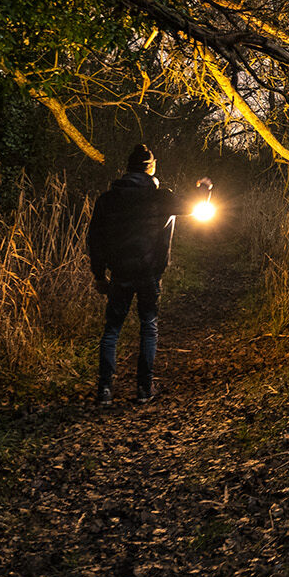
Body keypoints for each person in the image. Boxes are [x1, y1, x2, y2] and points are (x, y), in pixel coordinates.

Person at [85, 144, 213, 405]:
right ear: (150, 168)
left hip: (119, 273)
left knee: (112, 330)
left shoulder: (108, 199)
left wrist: (99, 274)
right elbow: (193, 206)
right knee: (148, 327)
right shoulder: (160, 197)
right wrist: (204, 188)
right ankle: (144, 389)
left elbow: (94, 239)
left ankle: (104, 390)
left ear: (128, 169)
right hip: (149, 274)